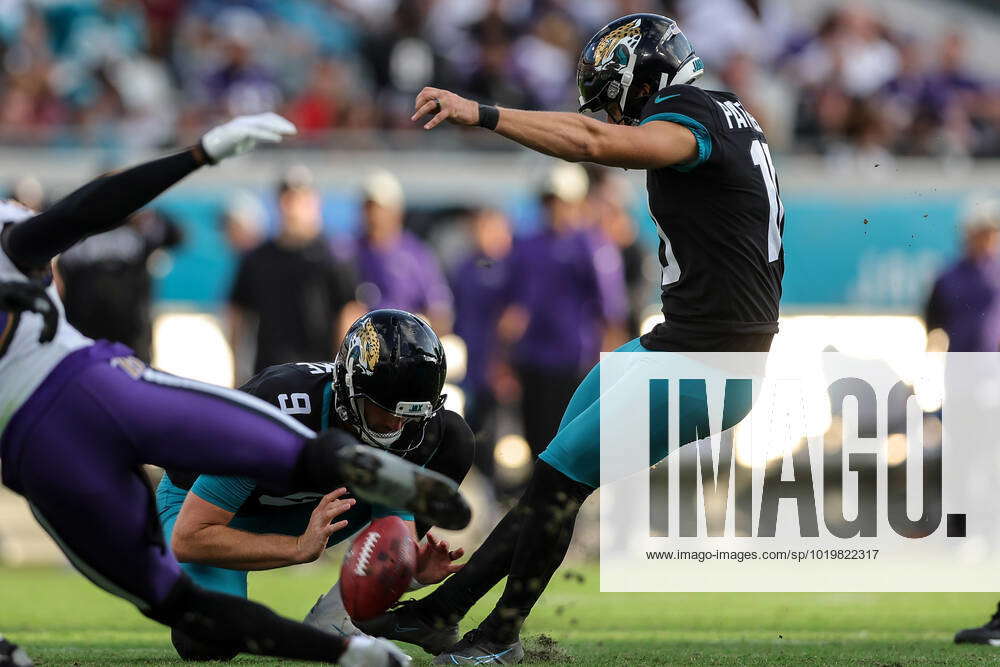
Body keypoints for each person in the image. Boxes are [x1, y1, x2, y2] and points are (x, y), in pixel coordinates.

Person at [358, 13, 785, 663]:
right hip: (680, 342)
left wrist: (483, 113)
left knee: (557, 480)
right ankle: (443, 611)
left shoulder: (691, 116)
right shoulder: (728, 114)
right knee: (552, 479)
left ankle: (496, 632)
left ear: (640, 79)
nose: (610, 110)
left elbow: (589, 142)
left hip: (707, 360)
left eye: (612, 90)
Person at [0, 112, 470, 666]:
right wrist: (305, 574)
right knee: (194, 624)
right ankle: (339, 625)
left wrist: (198, 155)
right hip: (64, 445)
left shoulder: (18, 244)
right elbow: (192, 537)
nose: (396, 423)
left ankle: (352, 572)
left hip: (80, 380)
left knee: (444, 439)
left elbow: (84, 213)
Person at [157, 309, 475, 660]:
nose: (397, 424)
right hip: (210, 509)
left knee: (455, 437)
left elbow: (394, 527)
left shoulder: (411, 425)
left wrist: (404, 569)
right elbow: (189, 536)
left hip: (314, 508)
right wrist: (297, 546)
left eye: (410, 413)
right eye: (385, 410)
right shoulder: (279, 410)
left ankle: (337, 615)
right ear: (351, 390)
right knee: (206, 641)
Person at [504, 163, 628, 467]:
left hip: (575, 358)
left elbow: (611, 309)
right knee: (535, 437)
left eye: (560, 200)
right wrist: (503, 358)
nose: (554, 208)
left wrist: (610, 362)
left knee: (570, 440)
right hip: (533, 356)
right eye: (549, 200)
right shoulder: (527, 244)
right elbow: (510, 307)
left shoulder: (592, 244)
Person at [228, 165, 357, 378]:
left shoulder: (334, 256)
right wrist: (237, 370)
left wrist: (343, 370)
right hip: (270, 373)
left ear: (315, 202)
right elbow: (237, 313)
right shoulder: (258, 258)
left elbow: (349, 312)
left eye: (300, 199)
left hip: (320, 373)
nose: (293, 207)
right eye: (288, 199)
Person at [56, 208, 183, 362]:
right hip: (83, 331)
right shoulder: (74, 228)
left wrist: (148, 219)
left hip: (131, 331)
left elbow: (176, 236)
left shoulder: (138, 227)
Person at [350, 170, 454, 334]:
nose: (374, 216)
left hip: (405, 345)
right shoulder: (350, 252)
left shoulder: (417, 255)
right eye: (369, 208)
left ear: (396, 211)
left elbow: (440, 310)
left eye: (380, 208)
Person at [925, 198, 1000, 352]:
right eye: (982, 233)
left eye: (991, 233)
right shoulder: (948, 276)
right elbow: (933, 322)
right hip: (960, 362)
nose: (988, 239)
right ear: (968, 234)